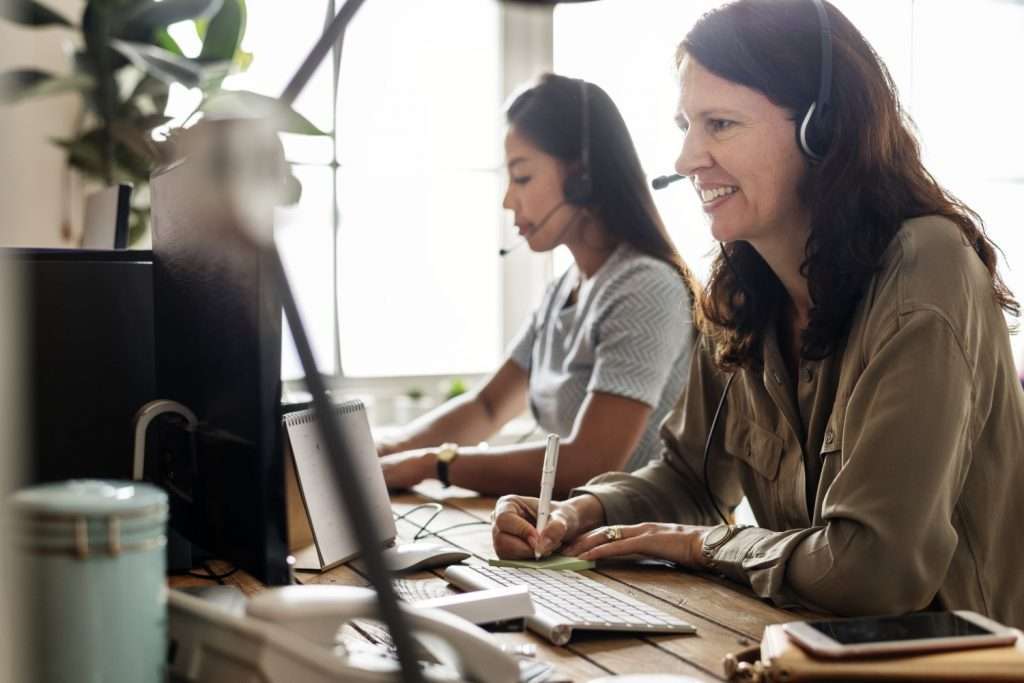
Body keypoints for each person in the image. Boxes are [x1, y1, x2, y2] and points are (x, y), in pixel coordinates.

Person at [491, 0, 1024, 629]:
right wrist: (580, 512)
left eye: (720, 124)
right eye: (686, 124)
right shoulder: (745, 292)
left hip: (961, 665)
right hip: (812, 653)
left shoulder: (928, 266)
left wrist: (701, 546)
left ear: (821, 130)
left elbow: (877, 567)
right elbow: (690, 480)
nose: (687, 158)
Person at [378, 74, 698, 498]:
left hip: (643, 551)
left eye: (523, 177)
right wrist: (389, 450)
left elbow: (588, 465)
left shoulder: (645, 287)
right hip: (570, 536)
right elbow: (487, 406)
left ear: (582, 177)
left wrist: (432, 464)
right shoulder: (564, 289)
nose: (508, 200)